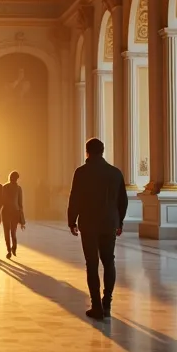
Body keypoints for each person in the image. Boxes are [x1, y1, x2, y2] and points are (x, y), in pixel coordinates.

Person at [67, 137, 127, 320]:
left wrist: (72, 221)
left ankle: (96, 306)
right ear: (102, 151)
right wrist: (120, 222)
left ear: (87, 152)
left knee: (91, 264)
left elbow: (75, 198)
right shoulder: (115, 173)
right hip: (109, 223)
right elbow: (122, 201)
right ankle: (107, 302)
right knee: (109, 262)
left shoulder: (82, 172)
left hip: (89, 223)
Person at [1, 171, 25, 259]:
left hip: (6, 211)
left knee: (6, 232)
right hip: (15, 212)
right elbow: (20, 204)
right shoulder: (19, 188)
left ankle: (8, 251)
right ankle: (14, 247)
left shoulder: (4, 187)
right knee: (13, 232)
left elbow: (1, 200)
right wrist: (22, 220)